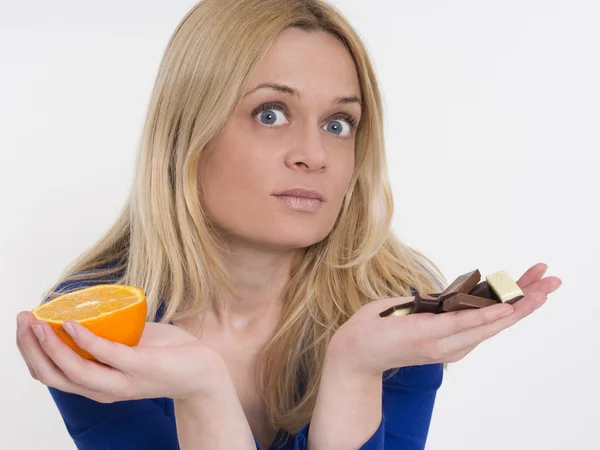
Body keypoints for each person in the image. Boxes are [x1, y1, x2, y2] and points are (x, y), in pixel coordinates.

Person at [15, 0, 562, 449]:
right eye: (270, 113)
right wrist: (202, 391)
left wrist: (356, 367)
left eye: (338, 123)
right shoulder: (97, 320)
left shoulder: (390, 306)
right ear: (188, 131)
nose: (314, 154)